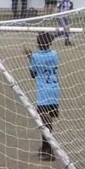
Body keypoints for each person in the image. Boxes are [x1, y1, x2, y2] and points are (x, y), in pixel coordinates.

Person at [25, 32, 60, 162]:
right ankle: (45, 147)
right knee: (47, 120)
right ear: (50, 43)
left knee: (45, 122)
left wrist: (30, 58)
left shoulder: (35, 57)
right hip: (55, 90)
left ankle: (50, 150)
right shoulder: (55, 54)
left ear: (38, 44)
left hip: (44, 93)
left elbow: (33, 74)